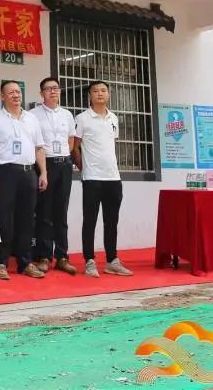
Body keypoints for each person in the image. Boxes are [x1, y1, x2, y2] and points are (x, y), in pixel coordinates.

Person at [0, 80, 48, 280]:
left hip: (28, 172)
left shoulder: (31, 119)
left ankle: (25, 262)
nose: (16, 95)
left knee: (26, 219)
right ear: (2, 96)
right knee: (4, 219)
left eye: (18, 92)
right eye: (11, 92)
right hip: (6, 173)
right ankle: (0, 262)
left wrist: (43, 173)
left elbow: (39, 148)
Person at [73, 80, 132, 278]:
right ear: (89, 95)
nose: (100, 93)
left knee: (111, 221)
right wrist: (83, 168)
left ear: (108, 94)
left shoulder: (113, 118)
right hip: (92, 178)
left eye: (103, 90)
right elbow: (75, 147)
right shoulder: (82, 118)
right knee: (89, 221)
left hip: (113, 178)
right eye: (95, 91)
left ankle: (112, 260)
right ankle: (89, 261)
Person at [30, 77, 78, 275]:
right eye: (48, 89)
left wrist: (64, 158)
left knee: (61, 211)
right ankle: (44, 256)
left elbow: (71, 141)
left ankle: (62, 256)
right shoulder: (33, 115)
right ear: (41, 93)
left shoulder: (67, 115)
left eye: (56, 88)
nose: (53, 92)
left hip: (64, 165)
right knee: (45, 212)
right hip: (45, 164)